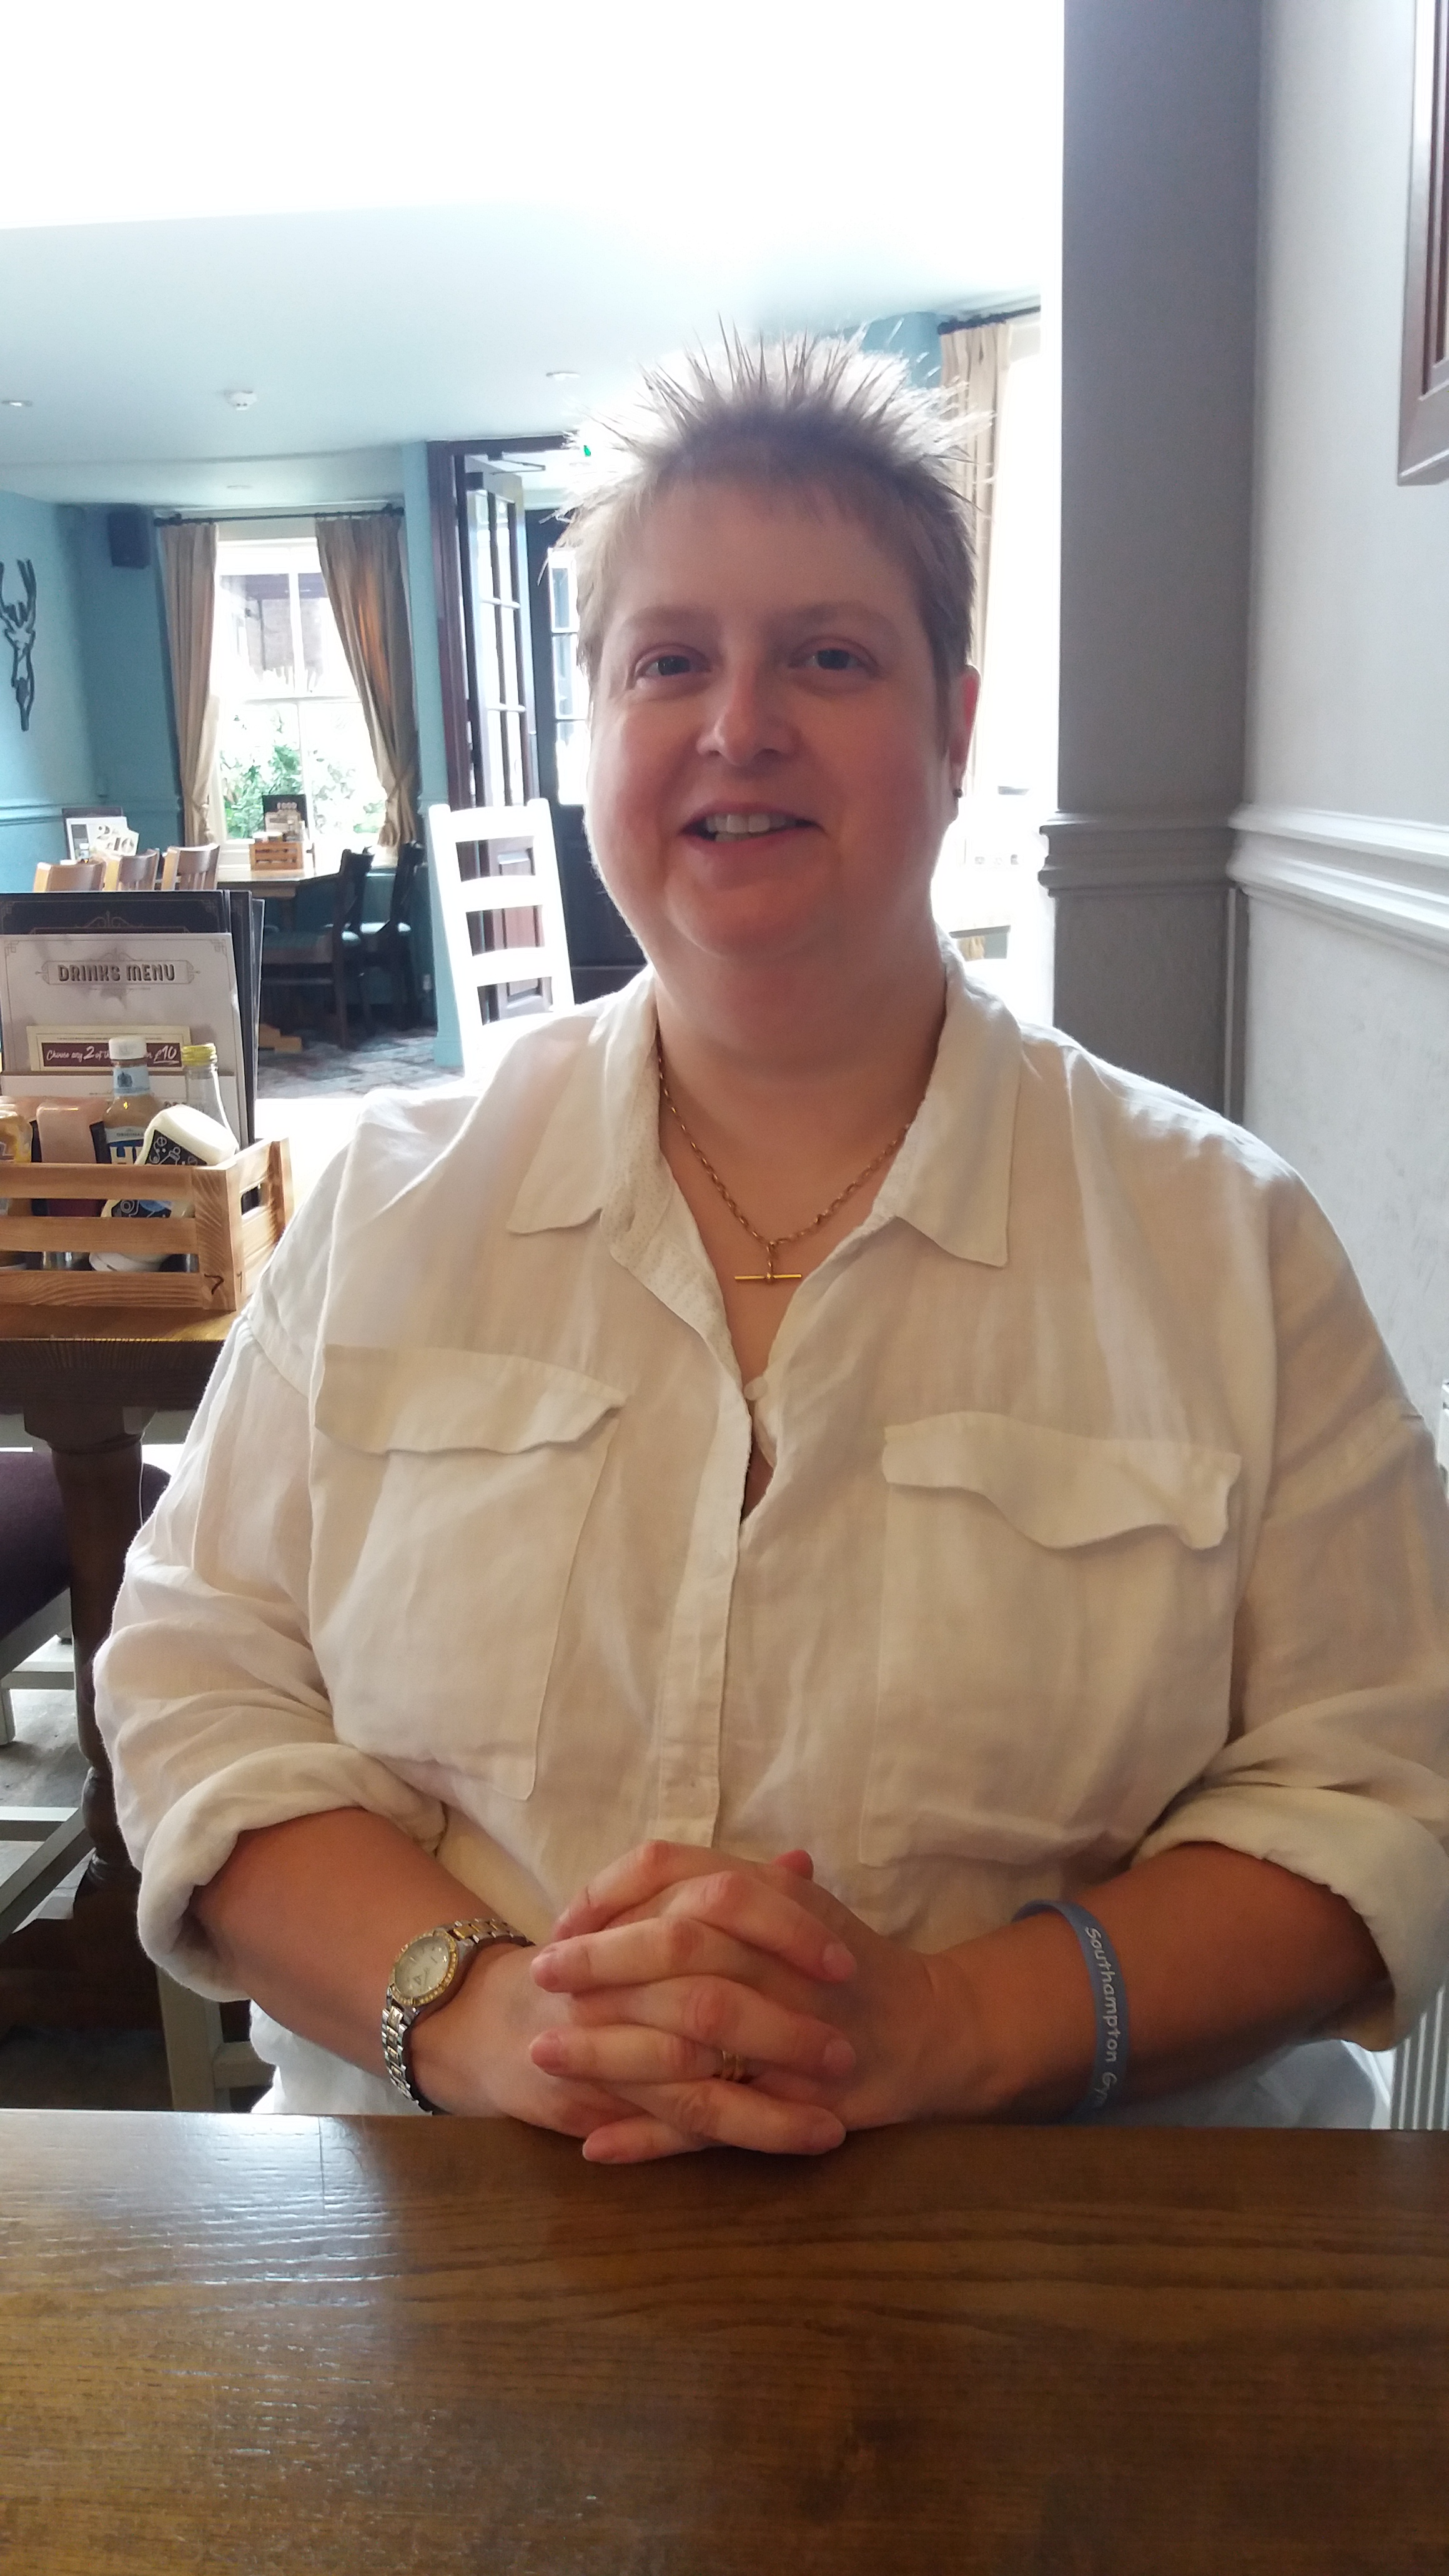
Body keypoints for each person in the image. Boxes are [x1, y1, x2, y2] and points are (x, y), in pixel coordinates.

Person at [97, 339, 1449, 2157]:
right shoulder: (394, 1208)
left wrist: (957, 2026)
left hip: (1069, 2248)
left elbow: (1377, 1786)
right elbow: (200, 1687)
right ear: (595, 734)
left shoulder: (1227, 1244)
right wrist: (491, 2022)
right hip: (450, 2230)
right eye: (669, 662)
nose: (740, 726)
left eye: (829, 656)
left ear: (954, 730)